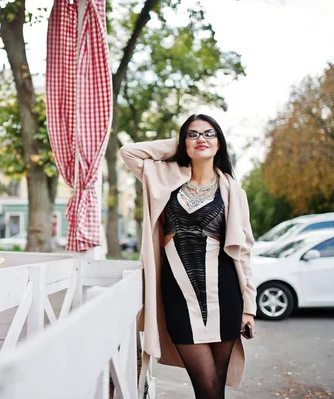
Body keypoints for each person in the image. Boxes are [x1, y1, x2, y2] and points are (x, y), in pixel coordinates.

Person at [120, 114, 257, 398]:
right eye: (193, 134)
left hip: (226, 299)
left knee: (214, 390)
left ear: (220, 143)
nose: (201, 139)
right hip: (178, 300)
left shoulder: (232, 190)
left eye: (209, 134)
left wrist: (248, 309)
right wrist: (182, 145)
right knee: (205, 386)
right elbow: (128, 152)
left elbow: (244, 252)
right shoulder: (162, 178)